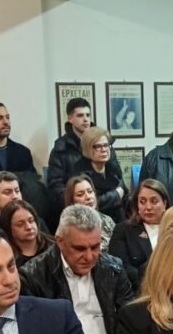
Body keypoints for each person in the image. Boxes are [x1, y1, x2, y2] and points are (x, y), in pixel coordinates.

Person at [20, 205, 133, 334]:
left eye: (95, 247)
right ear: (60, 241)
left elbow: (129, 321)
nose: (89, 256)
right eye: (80, 249)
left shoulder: (113, 269)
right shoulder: (33, 276)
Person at [109, 179, 169, 286]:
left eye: (154, 201)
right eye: (142, 201)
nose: (148, 207)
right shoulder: (123, 230)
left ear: (164, 204)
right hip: (139, 288)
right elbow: (120, 267)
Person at [46, 98, 93, 231]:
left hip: (101, 205)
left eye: (88, 115)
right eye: (80, 115)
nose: (86, 119)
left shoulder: (100, 142)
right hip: (73, 208)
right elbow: (55, 186)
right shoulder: (61, 148)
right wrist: (76, 201)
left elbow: (116, 179)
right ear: (70, 118)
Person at [73, 128, 126, 224]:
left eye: (106, 145)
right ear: (87, 148)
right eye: (98, 146)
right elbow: (90, 202)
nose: (104, 150)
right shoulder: (80, 173)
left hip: (119, 221)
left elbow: (125, 194)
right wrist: (115, 195)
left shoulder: (113, 168)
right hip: (94, 222)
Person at [64, 174, 115, 252]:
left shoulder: (107, 221)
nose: (88, 197)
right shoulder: (67, 229)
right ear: (72, 201)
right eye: (80, 194)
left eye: (90, 191)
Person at [0, 199, 53, 268]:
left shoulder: (54, 247)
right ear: (8, 228)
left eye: (31, 221)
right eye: (20, 224)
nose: (29, 227)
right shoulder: (6, 257)